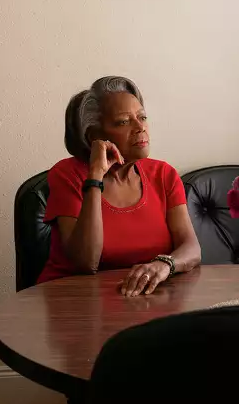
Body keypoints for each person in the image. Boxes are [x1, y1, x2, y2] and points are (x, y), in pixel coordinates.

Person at [38, 76, 202, 295]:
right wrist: (95, 175)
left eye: (142, 117)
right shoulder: (67, 175)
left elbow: (191, 249)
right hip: (75, 303)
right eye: (124, 121)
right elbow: (86, 263)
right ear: (94, 135)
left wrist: (165, 265)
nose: (140, 127)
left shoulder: (163, 175)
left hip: (142, 301)